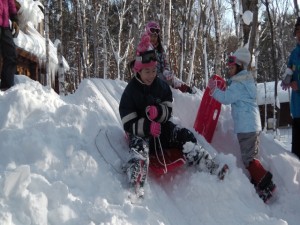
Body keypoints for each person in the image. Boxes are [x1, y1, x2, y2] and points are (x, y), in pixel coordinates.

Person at [119, 32, 227, 196]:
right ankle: (136, 179)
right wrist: (147, 127)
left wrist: (159, 112)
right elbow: (128, 121)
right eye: (147, 71)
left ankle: (205, 163)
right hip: (140, 133)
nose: (151, 75)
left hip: (161, 130)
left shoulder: (161, 86)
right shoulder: (131, 91)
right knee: (139, 147)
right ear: (138, 71)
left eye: (154, 70)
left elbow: (168, 108)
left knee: (183, 135)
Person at [208, 47, 276, 202]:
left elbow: (226, 98)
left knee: (248, 159)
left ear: (239, 66)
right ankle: (257, 180)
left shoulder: (239, 85)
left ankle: (267, 185)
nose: (229, 70)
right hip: (252, 125)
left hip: (246, 127)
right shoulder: (244, 81)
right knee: (251, 156)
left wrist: (213, 91)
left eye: (232, 68)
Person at [144, 21, 195, 94]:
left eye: (155, 36)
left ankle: (189, 91)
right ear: (147, 36)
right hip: (150, 77)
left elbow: (165, 63)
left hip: (161, 75)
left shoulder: (160, 50)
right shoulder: (144, 49)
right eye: (151, 36)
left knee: (173, 79)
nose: (153, 38)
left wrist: (166, 71)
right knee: (166, 81)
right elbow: (143, 65)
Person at [281, 17, 300, 159]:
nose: (299, 34)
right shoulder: (294, 53)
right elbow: (290, 72)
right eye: (297, 31)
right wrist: (287, 81)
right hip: (297, 109)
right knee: (296, 153)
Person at [0, 0, 19, 91]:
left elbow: (10, 2)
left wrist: (14, 18)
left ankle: (6, 87)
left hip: (5, 25)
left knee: (11, 54)